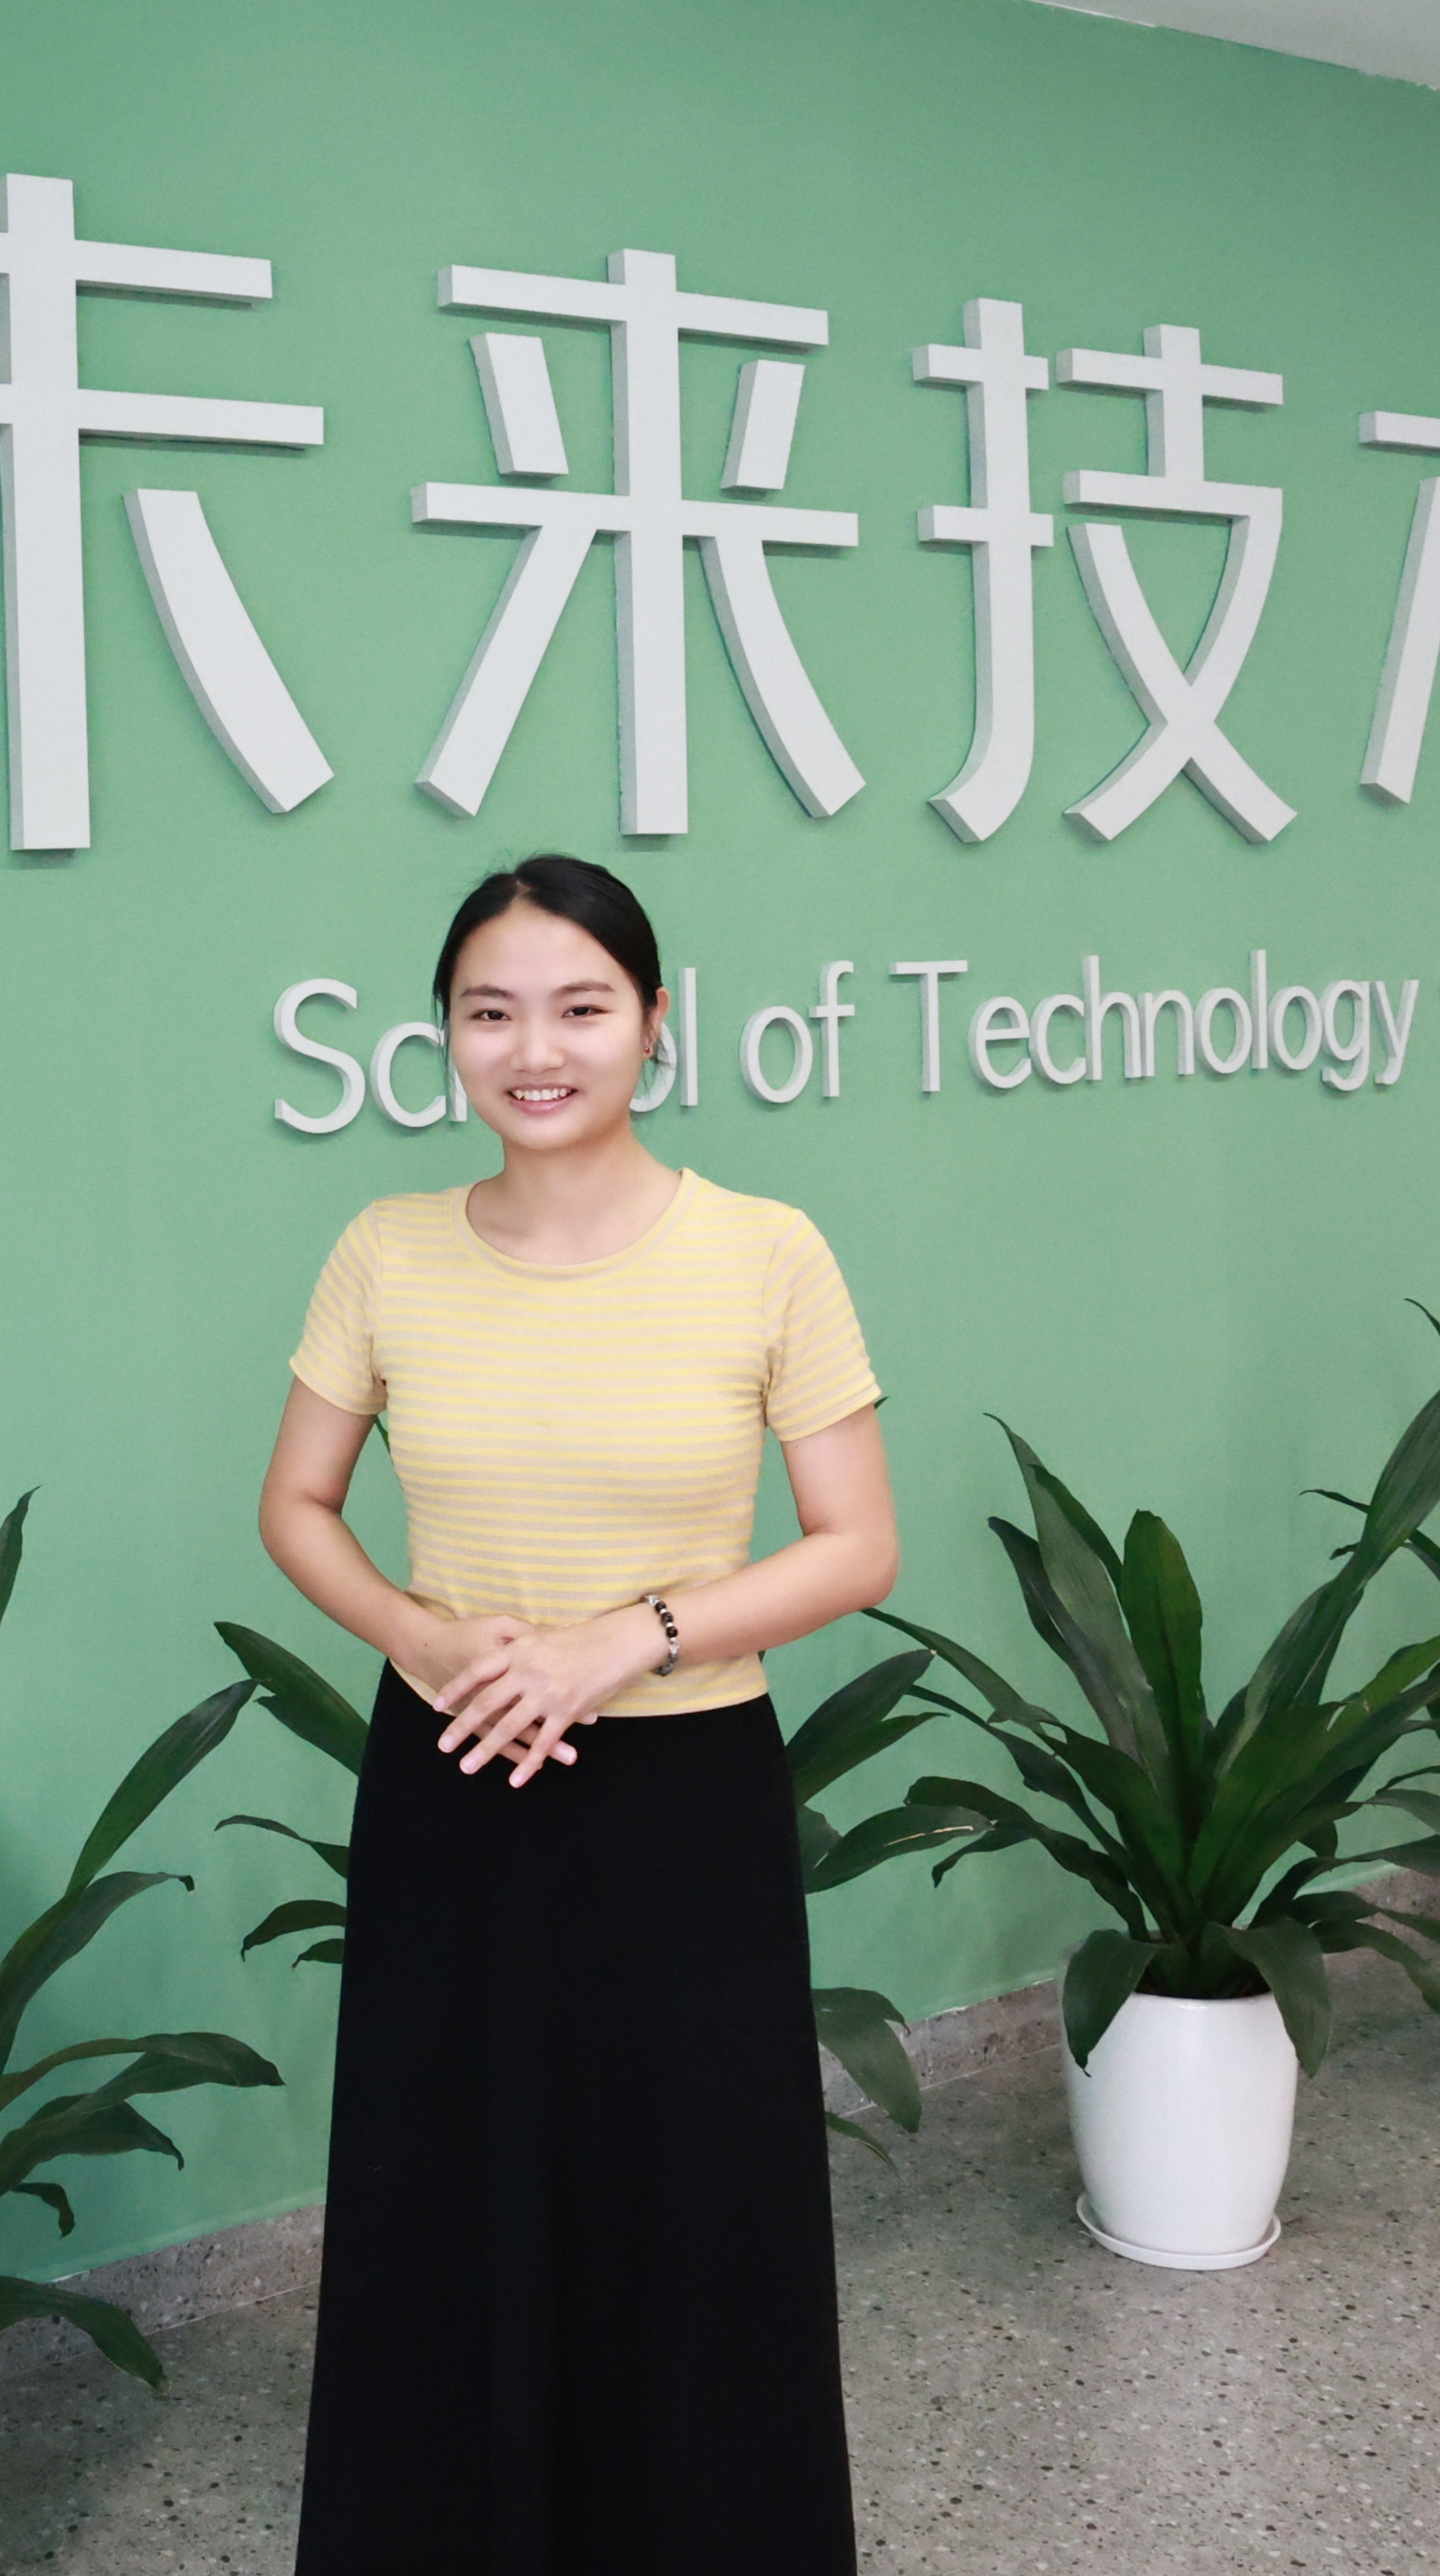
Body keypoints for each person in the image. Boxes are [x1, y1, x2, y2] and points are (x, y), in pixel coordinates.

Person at [258, 855, 899, 2576]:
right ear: (448, 1036)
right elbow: (297, 1506)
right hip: (458, 1780)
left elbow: (858, 1543)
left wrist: (631, 1640)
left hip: (683, 1803)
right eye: (492, 1012)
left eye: (580, 1008)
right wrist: (423, 1635)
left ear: (654, 1025)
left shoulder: (766, 1253)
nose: (534, 1049)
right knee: (445, 2202)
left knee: (696, 2210)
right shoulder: (386, 1253)